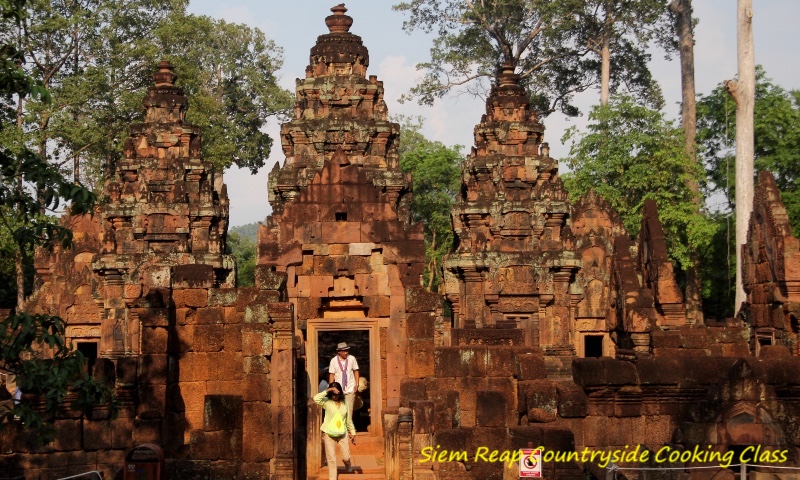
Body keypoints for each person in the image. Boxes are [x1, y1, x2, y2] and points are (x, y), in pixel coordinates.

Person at [314, 382, 356, 480]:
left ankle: (348, 464)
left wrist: (353, 432)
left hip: (342, 433)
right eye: (332, 394)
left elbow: (348, 419)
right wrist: (328, 390)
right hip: (329, 433)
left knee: (345, 457)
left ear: (340, 393)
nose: (334, 396)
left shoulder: (345, 403)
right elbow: (316, 399)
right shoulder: (327, 402)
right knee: (331, 458)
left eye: (336, 394)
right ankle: (332, 478)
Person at [328, 342, 359, 420]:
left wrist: (357, 384)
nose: (346, 352)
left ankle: (347, 427)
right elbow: (332, 374)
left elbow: (356, 371)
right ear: (339, 352)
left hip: (350, 387)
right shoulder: (333, 361)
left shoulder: (352, 358)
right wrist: (331, 387)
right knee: (339, 408)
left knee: (349, 408)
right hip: (339, 388)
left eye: (347, 350)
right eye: (344, 351)